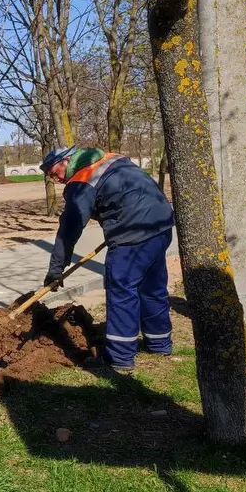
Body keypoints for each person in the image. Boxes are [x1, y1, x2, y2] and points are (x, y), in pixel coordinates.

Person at [41, 146, 175, 374]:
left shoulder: (82, 179)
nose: (56, 180)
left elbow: (70, 228)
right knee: (152, 288)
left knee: (122, 292)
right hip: (160, 226)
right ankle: (159, 343)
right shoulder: (110, 159)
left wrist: (56, 268)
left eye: (55, 173)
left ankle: (120, 358)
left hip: (131, 238)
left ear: (67, 161)